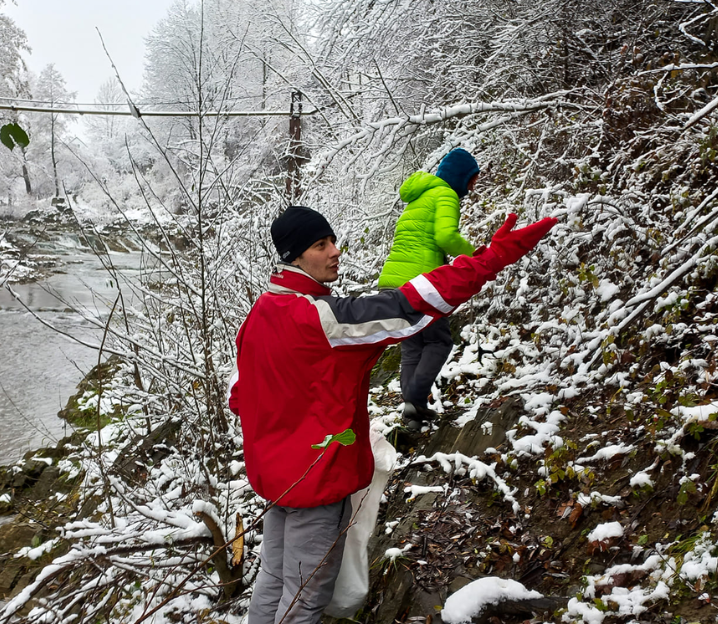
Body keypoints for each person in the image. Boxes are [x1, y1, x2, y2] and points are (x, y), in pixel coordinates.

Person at [230, 204, 555, 624]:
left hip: (276, 480)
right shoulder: (320, 318)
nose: (335, 252)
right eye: (319, 244)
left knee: (273, 582)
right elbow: (408, 305)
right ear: (294, 256)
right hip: (315, 479)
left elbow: (241, 396)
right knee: (304, 599)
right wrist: (490, 258)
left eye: (332, 240)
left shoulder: (259, 313)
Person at [377, 147, 482, 430]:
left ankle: (411, 416)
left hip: (393, 280)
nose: (473, 186)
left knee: (413, 347)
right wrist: (475, 256)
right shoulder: (445, 193)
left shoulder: (421, 195)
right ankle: (414, 401)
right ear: (460, 177)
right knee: (439, 341)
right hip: (420, 283)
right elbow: (446, 236)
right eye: (472, 179)